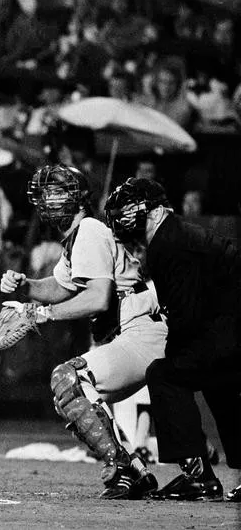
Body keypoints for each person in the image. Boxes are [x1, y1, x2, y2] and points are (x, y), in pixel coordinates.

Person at [0, 163, 165, 499]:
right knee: (77, 390)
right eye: (46, 192)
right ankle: (135, 469)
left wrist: (43, 314)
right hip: (133, 330)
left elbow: (98, 297)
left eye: (56, 191)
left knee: (67, 379)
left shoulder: (88, 229)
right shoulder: (79, 236)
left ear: (75, 198)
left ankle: (123, 468)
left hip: (142, 330)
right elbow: (61, 286)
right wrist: (26, 285)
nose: (48, 198)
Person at [104, 178, 241, 502]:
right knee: (220, 383)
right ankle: (202, 470)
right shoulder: (175, 235)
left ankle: (198, 476)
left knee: (164, 375)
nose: (123, 217)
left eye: (129, 208)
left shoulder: (169, 242)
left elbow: (185, 319)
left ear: (153, 211)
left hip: (228, 329)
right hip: (228, 329)